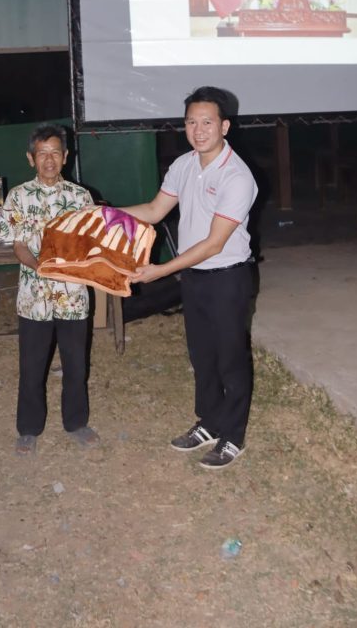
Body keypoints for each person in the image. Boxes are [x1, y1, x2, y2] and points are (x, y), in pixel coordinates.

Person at [121, 87, 257, 470]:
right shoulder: (183, 165)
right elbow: (153, 210)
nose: (199, 130)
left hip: (228, 278)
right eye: (191, 122)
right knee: (202, 355)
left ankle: (233, 436)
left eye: (207, 122)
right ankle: (210, 422)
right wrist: (105, 214)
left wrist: (161, 271)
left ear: (224, 126)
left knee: (231, 358)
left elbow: (214, 244)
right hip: (194, 278)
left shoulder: (237, 176)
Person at [0, 123, 100, 455]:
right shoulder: (17, 197)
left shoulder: (81, 197)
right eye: (42, 153)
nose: (49, 160)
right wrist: (40, 266)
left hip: (73, 297)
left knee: (76, 365)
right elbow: (17, 244)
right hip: (34, 298)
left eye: (55, 152)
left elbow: (91, 244)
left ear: (66, 156)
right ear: (31, 158)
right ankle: (29, 429)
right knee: (32, 367)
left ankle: (77, 423)